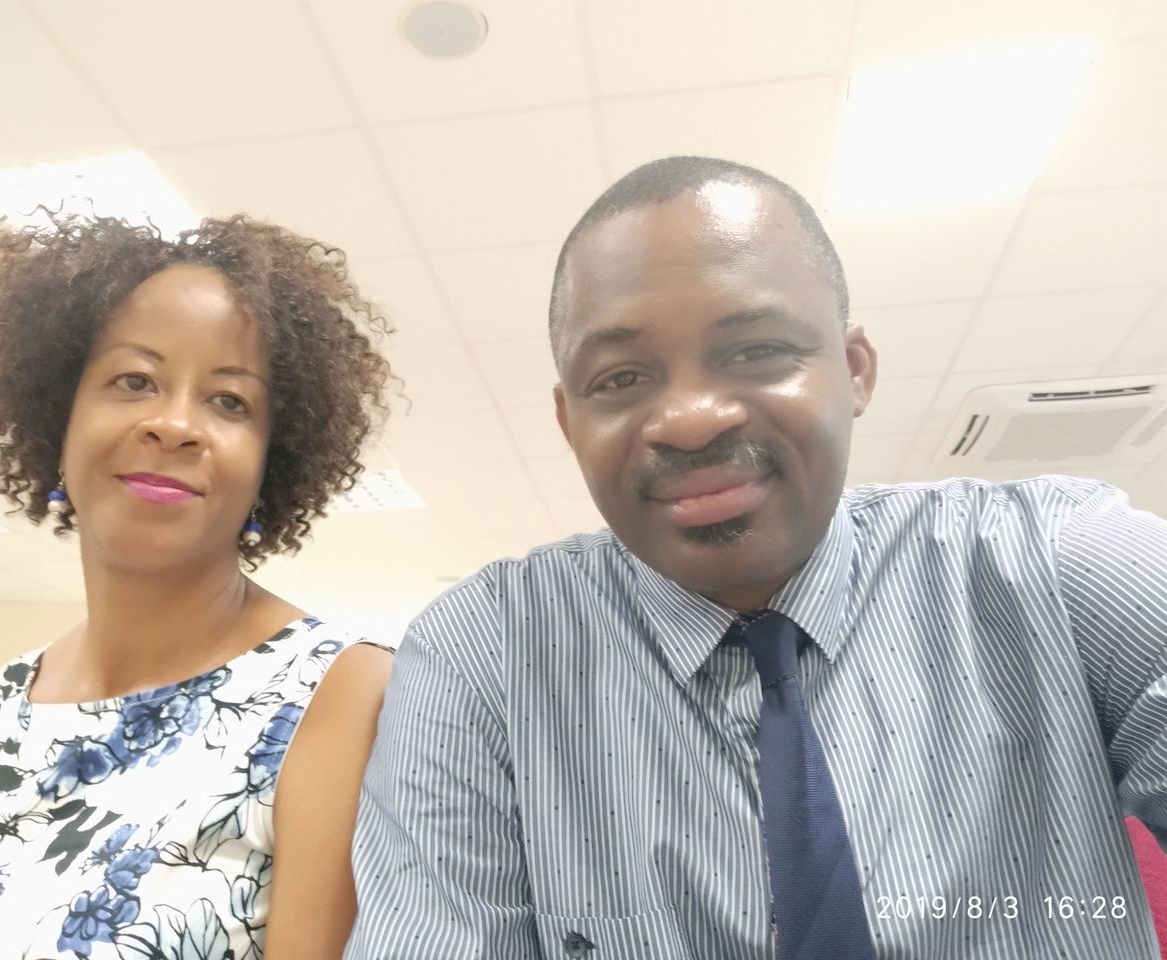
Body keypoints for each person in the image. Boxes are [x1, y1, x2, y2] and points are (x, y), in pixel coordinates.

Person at [346, 157, 1167, 959]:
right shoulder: (483, 655)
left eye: (756, 351)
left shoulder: (1056, 566)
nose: (691, 419)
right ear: (570, 422)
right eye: (622, 376)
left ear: (853, 370)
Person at [0, 213, 394, 959]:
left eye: (229, 401)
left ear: (270, 464)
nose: (175, 423)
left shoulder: (344, 697)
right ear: (58, 421)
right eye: (134, 380)